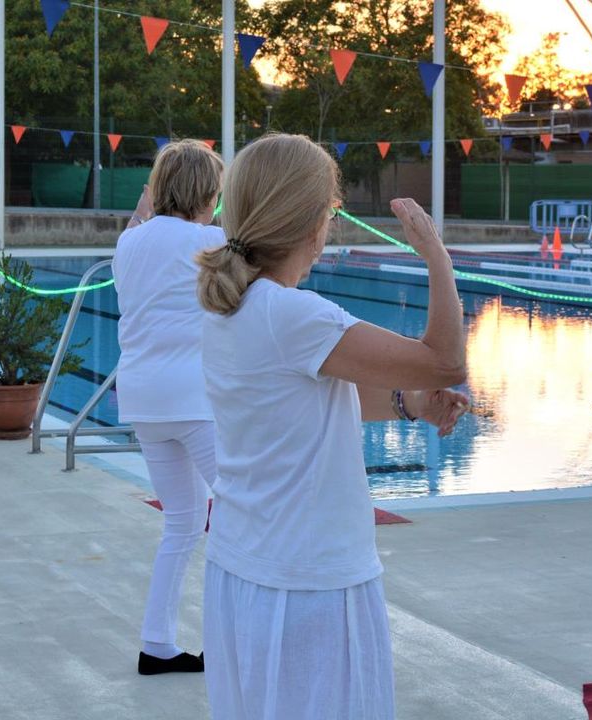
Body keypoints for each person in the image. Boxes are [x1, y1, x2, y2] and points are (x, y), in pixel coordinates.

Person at [196, 133, 469, 719]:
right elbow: (446, 360)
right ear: (312, 224)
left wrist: (411, 405)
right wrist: (438, 259)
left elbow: (305, 405)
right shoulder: (295, 315)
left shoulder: (235, 308)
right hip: (309, 586)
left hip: (245, 567)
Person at [112, 139, 224, 675]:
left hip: (143, 400)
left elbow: (143, 225)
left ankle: (156, 644)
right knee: (245, 510)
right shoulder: (212, 240)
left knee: (182, 523)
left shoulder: (128, 243)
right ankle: (233, 636)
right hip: (195, 400)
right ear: (206, 192)